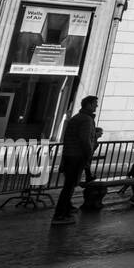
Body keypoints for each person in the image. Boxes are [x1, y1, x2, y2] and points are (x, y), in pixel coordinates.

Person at [52, 96, 99, 226]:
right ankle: (60, 214)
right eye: (95, 104)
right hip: (76, 155)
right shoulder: (86, 120)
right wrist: (89, 154)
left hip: (69, 154)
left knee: (69, 185)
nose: (96, 106)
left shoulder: (76, 118)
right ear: (88, 105)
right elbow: (85, 140)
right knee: (69, 186)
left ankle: (66, 209)